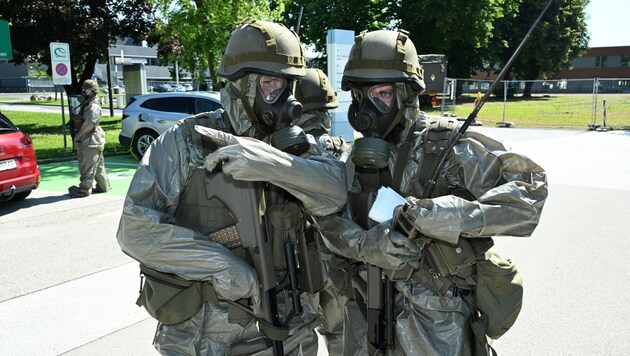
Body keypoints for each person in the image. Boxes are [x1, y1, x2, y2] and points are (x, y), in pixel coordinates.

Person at [116, 20, 348, 355]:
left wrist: (271, 163)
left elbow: (336, 191)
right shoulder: (186, 143)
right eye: (270, 83)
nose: (283, 98)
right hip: (204, 335)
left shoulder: (296, 147)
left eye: (288, 85)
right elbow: (134, 230)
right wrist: (224, 266)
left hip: (290, 329)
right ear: (240, 85)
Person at [313, 29, 548, 355]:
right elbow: (330, 221)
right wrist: (365, 245)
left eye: (381, 94)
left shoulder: (447, 144)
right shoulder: (359, 157)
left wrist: (454, 215)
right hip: (366, 311)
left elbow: (530, 190)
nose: (368, 109)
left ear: (406, 94)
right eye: (361, 96)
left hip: (437, 326)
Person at [294, 68, 350, 355]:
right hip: (338, 265)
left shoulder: (279, 154)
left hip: (296, 267)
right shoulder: (342, 151)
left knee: (299, 339)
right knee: (342, 335)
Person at [68, 79, 110, 198]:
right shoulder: (88, 104)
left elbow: (90, 122)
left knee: (87, 165)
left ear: (92, 91)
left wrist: (79, 135)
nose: (83, 92)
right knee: (98, 166)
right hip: (93, 138)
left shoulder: (93, 106)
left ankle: (84, 190)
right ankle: (103, 186)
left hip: (90, 139)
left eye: (86, 90)